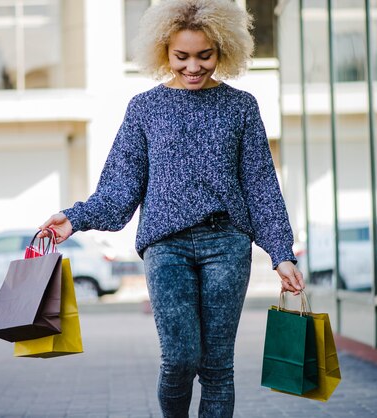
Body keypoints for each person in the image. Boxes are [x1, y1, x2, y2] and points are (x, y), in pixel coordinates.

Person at [39, 0, 305, 416]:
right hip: (167, 249)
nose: (194, 67)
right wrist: (76, 218)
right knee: (180, 359)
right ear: (164, 50)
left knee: (217, 367)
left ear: (223, 50)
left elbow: (260, 186)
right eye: (182, 56)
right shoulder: (144, 108)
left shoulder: (241, 107)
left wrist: (281, 253)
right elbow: (120, 187)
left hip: (228, 246)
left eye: (205, 55)